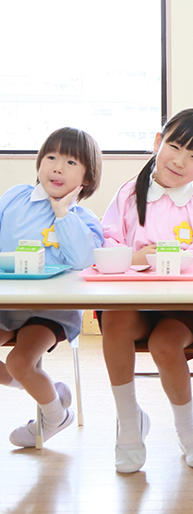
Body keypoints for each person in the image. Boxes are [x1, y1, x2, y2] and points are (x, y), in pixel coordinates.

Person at [99, 108, 193, 473]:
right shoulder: (129, 195)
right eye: (175, 146)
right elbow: (106, 243)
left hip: (188, 308)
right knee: (113, 319)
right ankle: (130, 424)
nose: (180, 160)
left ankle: (188, 430)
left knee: (164, 343)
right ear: (158, 143)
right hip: (136, 302)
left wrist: (180, 258)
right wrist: (137, 256)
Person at [0, 127, 103, 447]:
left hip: (51, 312)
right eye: (51, 157)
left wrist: (62, 213)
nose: (58, 167)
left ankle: (55, 416)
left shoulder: (83, 218)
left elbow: (84, 260)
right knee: (23, 369)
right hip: (6, 306)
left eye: (71, 163)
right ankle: (48, 392)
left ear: (86, 178)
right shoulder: (15, 197)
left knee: (19, 361)